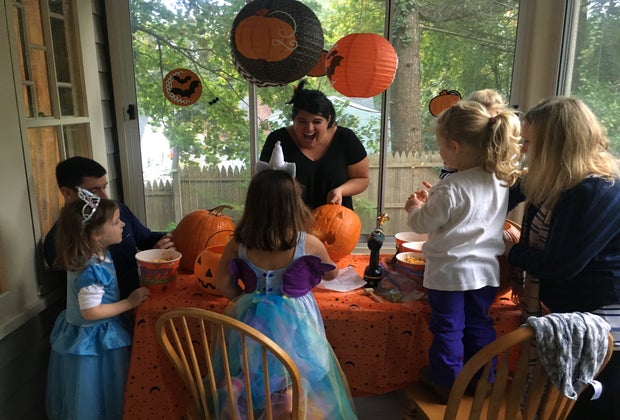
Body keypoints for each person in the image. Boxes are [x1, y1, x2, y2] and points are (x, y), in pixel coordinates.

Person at [214, 143, 357, 419]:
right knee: (297, 367)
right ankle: (287, 400)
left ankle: (236, 386)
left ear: (253, 205)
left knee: (252, 365)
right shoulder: (309, 243)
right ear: (294, 204)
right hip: (296, 319)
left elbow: (222, 282)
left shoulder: (239, 243)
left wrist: (242, 300)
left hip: (252, 316)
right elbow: (331, 274)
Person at [505, 97, 620, 419]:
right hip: (572, 310)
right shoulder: (554, 179)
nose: (523, 150)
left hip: (604, 324)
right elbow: (499, 197)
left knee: (586, 410)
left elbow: (560, 266)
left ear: (554, 147)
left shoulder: (595, 191)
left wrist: (510, 249)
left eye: (529, 143)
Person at [404, 100, 522, 403]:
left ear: (454, 146)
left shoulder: (450, 187)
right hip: (486, 272)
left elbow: (422, 223)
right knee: (479, 324)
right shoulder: (499, 181)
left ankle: (447, 384)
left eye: (441, 145)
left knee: (448, 328)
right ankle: (485, 380)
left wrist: (415, 207)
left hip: (450, 275)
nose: (441, 152)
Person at [46, 189, 150, 419]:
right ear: (95, 235)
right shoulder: (92, 269)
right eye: (116, 221)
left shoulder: (93, 256)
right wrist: (130, 302)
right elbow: (91, 312)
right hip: (95, 341)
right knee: (96, 393)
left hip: (92, 334)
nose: (123, 224)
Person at [43, 156, 174, 299]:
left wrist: (174, 237)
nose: (104, 196)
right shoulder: (58, 241)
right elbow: (95, 291)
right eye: (94, 191)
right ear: (67, 193)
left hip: (144, 291)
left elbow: (146, 238)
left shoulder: (118, 210)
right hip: (114, 305)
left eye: (104, 187)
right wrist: (148, 262)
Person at [259, 80, 369, 210]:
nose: (309, 129)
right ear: (293, 119)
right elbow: (263, 184)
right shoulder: (277, 140)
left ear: (328, 120)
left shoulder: (345, 138)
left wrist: (340, 191)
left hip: (336, 218)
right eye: (302, 121)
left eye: (317, 122)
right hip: (290, 220)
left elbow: (361, 178)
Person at [440, 88, 508, 179]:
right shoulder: (460, 149)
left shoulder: (503, 150)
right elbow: (446, 173)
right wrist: (444, 185)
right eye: (479, 118)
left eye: (491, 120)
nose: (486, 124)